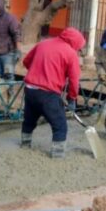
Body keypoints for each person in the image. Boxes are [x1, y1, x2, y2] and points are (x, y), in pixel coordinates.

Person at [20, 27, 86, 159]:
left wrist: (38, 71)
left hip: (30, 89)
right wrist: (72, 98)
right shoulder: (70, 53)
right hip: (48, 93)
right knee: (60, 125)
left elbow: (26, 61)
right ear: (76, 43)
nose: (78, 51)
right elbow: (74, 81)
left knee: (29, 120)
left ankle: (24, 145)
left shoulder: (43, 43)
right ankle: (57, 156)